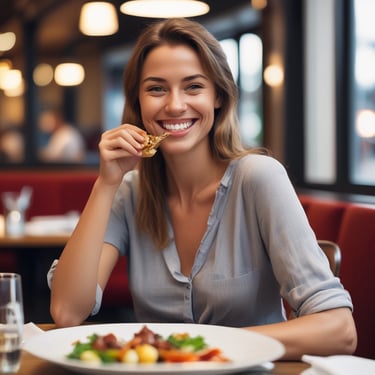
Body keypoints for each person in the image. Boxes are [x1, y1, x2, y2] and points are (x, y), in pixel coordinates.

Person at [49, 18, 357, 360]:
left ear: (219, 97)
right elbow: (66, 312)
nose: (175, 105)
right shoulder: (129, 191)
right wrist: (106, 183)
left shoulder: (258, 178)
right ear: (137, 103)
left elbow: (340, 331)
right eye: (156, 89)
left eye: (193, 87)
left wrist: (196, 349)